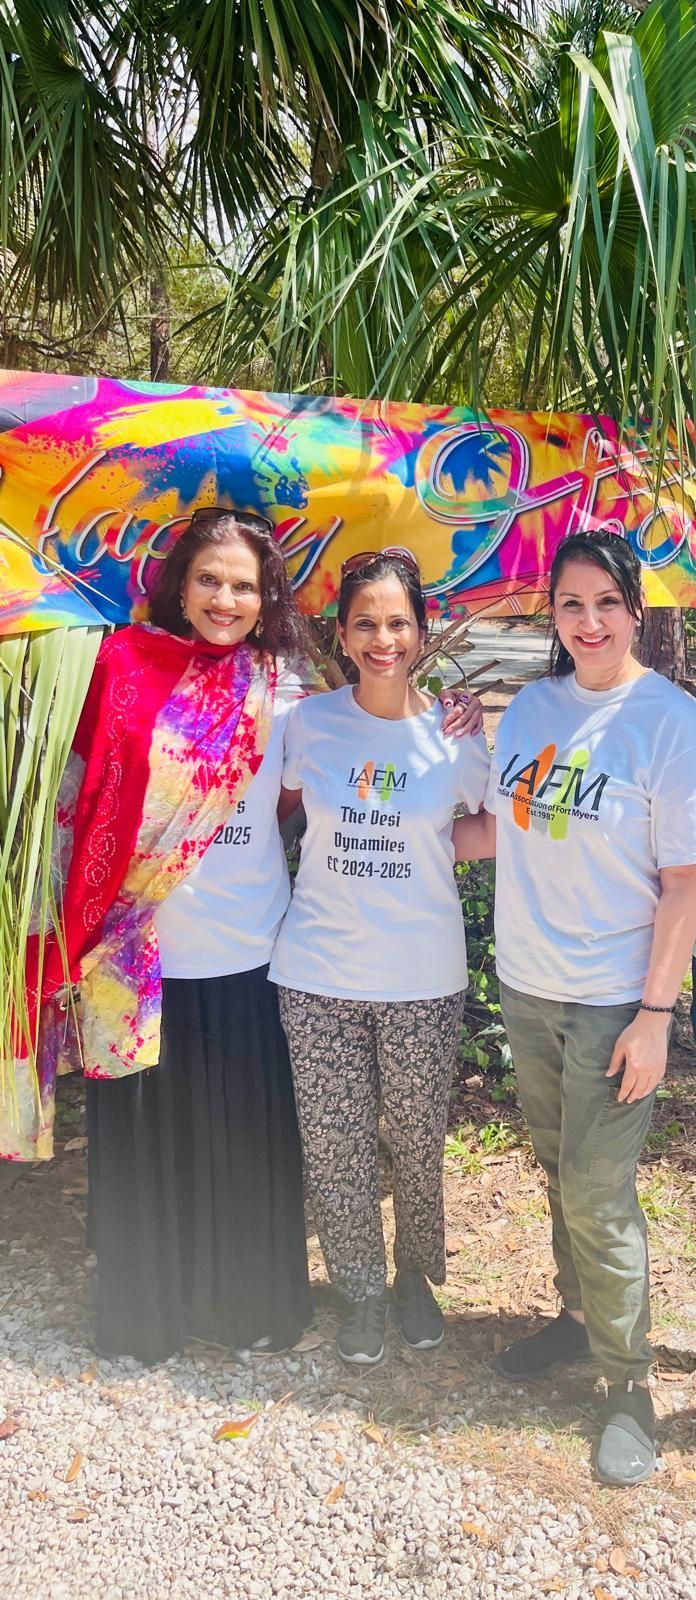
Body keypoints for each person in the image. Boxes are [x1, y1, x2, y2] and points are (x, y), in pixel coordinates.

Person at [37, 515, 481, 1363]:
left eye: (244, 585)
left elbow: (302, 808)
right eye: (209, 579)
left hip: (251, 954)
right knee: (164, 1143)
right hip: (143, 959)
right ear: (180, 583)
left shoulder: (280, 689)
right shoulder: (124, 670)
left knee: (252, 1141)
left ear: (268, 597)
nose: (225, 599)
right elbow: (82, 794)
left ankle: (259, 1304)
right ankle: (153, 1313)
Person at [453, 528, 696, 1487]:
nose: (588, 621)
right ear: (550, 615)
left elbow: (683, 884)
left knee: (599, 1192)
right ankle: (575, 1317)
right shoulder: (533, 710)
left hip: (612, 1002)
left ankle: (627, 1384)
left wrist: (655, 1016)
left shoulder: (668, 720)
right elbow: (497, 836)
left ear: (637, 608)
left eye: (605, 602)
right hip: (527, 983)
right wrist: (430, 764)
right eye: (569, 604)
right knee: (558, 1169)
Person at [269, 549, 492, 1367]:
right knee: (334, 1145)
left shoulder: (456, 733)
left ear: (422, 632)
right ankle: (359, 1290)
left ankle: (414, 1280)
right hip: (318, 973)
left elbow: (493, 828)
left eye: (398, 622)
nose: (383, 638)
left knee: (417, 1140)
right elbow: (283, 818)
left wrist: (429, 846)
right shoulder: (309, 724)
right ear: (343, 633)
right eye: (366, 622)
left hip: (422, 978)